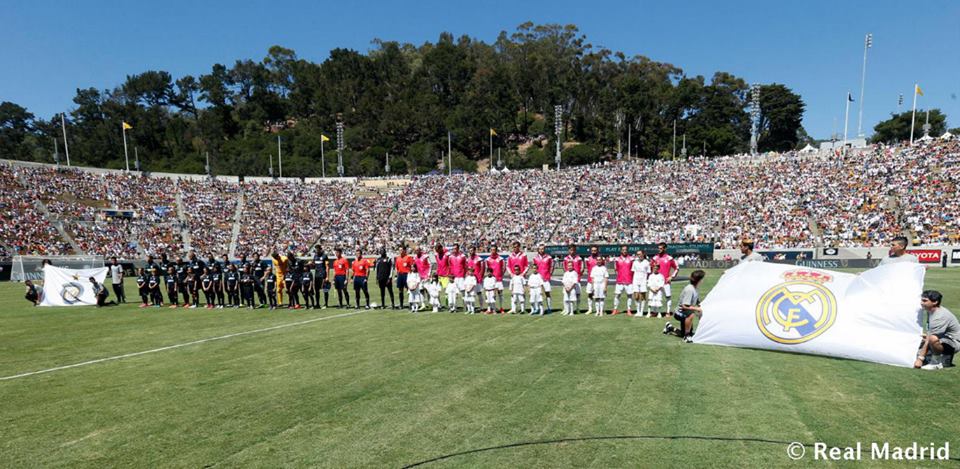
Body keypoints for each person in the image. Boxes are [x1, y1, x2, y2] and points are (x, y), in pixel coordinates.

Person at [915, 290, 959, 369]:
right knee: (925, 338)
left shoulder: (939, 316)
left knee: (932, 338)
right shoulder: (930, 311)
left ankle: (936, 362)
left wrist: (920, 359)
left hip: (954, 343)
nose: (921, 303)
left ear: (935, 302)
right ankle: (945, 360)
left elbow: (930, 337)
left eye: (925, 301)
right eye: (921, 300)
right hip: (944, 338)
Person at [664, 270, 706, 342]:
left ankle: (670, 328)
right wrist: (697, 309)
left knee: (684, 333)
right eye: (702, 279)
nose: (703, 281)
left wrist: (700, 305)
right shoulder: (690, 289)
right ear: (698, 280)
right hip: (679, 313)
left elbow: (696, 300)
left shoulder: (695, 288)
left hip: (685, 312)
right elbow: (684, 306)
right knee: (691, 315)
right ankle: (686, 337)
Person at [652, 242, 680, 316]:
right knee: (656, 297)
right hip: (656, 282)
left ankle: (668, 312)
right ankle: (655, 312)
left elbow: (677, 268)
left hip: (666, 282)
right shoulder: (655, 258)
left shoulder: (669, 258)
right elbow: (650, 268)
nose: (659, 250)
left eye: (661, 248)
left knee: (668, 297)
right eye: (658, 248)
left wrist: (671, 277)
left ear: (665, 249)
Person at [612, 246, 635, 315]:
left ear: (627, 250)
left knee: (629, 295)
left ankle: (629, 310)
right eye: (623, 250)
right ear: (621, 251)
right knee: (617, 295)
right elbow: (616, 269)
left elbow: (633, 269)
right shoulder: (617, 259)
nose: (624, 251)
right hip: (620, 281)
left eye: (625, 250)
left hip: (629, 280)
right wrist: (619, 276)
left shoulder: (631, 259)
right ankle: (615, 309)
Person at [532, 246, 554, 314]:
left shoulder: (549, 257)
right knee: (537, 294)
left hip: (546, 278)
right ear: (538, 250)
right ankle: (537, 308)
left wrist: (549, 274)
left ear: (544, 249)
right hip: (538, 279)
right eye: (540, 249)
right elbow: (534, 267)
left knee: (547, 293)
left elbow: (552, 266)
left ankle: (549, 308)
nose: (541, 250)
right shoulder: (535, 258)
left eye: (543, 249)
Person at [485, 245, 506, 313]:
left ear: (496, 250)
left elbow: (504, 268)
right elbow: (487, 269)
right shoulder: (488, 259)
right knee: (490, 294)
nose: (493, 251)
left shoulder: (501, 259)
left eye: (494, 249)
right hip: (491, 280)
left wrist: (501, 275)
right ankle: (490, 308)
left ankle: (501, 308)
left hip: (498, 280)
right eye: (491, 250)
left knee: (500, 294)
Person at [563, 245, 584, 314]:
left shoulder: (579, 258)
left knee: (578, 295)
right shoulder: (566, 258)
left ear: (575, 250)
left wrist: (579, 274)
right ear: (568, 250)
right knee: (566, 295)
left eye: (573, 250)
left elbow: (582, 268)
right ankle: (566, 309)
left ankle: (577, 308)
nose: (572, 251)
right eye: (571, 250)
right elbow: (564, 268)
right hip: (568, 281)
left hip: (576, 280)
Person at [631, 250, 651, 318]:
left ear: (643, 254)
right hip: (635, 281)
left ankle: (641, 312)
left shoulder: (647, 262)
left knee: (642, 297)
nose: (638, 255)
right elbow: (633, 272)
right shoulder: (635, 262)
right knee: (636, 296)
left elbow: (648, 273)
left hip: (643, 281)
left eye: (640, 254)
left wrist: (647, 281)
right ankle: (638, 311)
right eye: (637, 254)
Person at [447, 244, 467, 311]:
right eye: (453, 248)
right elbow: (449, 267)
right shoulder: (450, 257)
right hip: (454, 278)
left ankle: (465, 306)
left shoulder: (463, 256)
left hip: (461, 277)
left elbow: (465, 266)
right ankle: (454, 307)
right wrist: (450, 277)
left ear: (458, 249)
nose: (454, 250)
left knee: (463, 292)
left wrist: (464, 275)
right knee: (454, 293)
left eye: (455, 248)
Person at [395, 246, 413, 310]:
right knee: (400, 290)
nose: (400, 251)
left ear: (405, 250)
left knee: (409, 290)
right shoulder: (398, 258)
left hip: (407, 275)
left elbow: (412, 267)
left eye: (402, 250)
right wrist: (396, 276)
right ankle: (401, 304)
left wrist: (411, 275)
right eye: (399, 250)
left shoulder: (408, 258)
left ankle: (411, 304)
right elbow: (397, 268)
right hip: (400, 275)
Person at [585, 246, 601, 315]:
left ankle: (599, 309)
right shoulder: (588, 259)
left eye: (595, 250)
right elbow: (588, 270)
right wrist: (591, 278)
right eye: (592, 250)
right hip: (590, 280)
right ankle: (590, 309)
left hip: (599, 281)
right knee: (589, 294)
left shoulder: (600, 259)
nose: (594, 251)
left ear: (597, 251)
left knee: (598, 295)